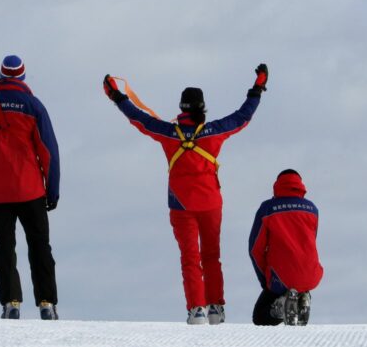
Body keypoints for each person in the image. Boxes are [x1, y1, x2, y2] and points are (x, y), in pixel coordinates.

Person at [103, 64, 269, 325]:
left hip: (180, 204)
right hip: (211, 202)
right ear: (202, 107)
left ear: (181, 108)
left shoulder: (168, 133)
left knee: (190, 258)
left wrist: (116, 96)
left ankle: (197, 310)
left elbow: (138, 119)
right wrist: (258, 87)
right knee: (212, 256)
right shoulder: (215, 131)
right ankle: (216, 308)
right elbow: (243, 116)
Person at [0, 55, 61, 320]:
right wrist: (52, 190)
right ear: (23, 76)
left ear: (1, 75)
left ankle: (10, 302)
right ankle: (46, 303)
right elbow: (48, 151)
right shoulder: (33, 106)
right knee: (40, 246)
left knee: (4, 246)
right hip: (30, 190)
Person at [248, 168, 323, 326]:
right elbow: (311, 241)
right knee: (300, 279)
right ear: (300, 186)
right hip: (311, 274)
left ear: (277, 185)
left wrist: (266, 280)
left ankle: (281, 307)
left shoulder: (267, 208)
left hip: (281, 276)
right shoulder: (313, 210)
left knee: (260, 316)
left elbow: (255, 249)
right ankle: (303, 297)